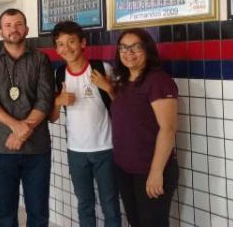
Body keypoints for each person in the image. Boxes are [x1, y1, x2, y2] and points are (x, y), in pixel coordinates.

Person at [0, 8, 54, 227]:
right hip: (4, 148)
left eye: (19, 24)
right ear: (0, 31)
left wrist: (23, 133)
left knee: (38, 212)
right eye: (8, 25)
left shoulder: (41, 59)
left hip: (37, 149)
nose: (14, 29)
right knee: (6, 212)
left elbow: (45, 99)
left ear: (27, 29)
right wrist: (16, 127)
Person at [50, 21, 121, 227]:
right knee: (84, 203)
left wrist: (108, 87)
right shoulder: (59, 74)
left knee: (110, 204)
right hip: (76, 152)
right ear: (56, 49)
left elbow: (122, 108)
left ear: (82, 43)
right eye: (61, 44)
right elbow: (53, 117)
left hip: (106, 149)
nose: (67, 48)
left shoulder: (101, 68)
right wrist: (57, 101)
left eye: (71, 41)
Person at [111, 28, 179, 227]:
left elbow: (168, 129)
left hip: (150, 169)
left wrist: (156, 173)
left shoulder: (158, 81)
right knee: (135, 222)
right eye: (123, 47)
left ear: (147, 50)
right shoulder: (124, 80)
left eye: (135, 47)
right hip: (125, 167)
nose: (128, 52)